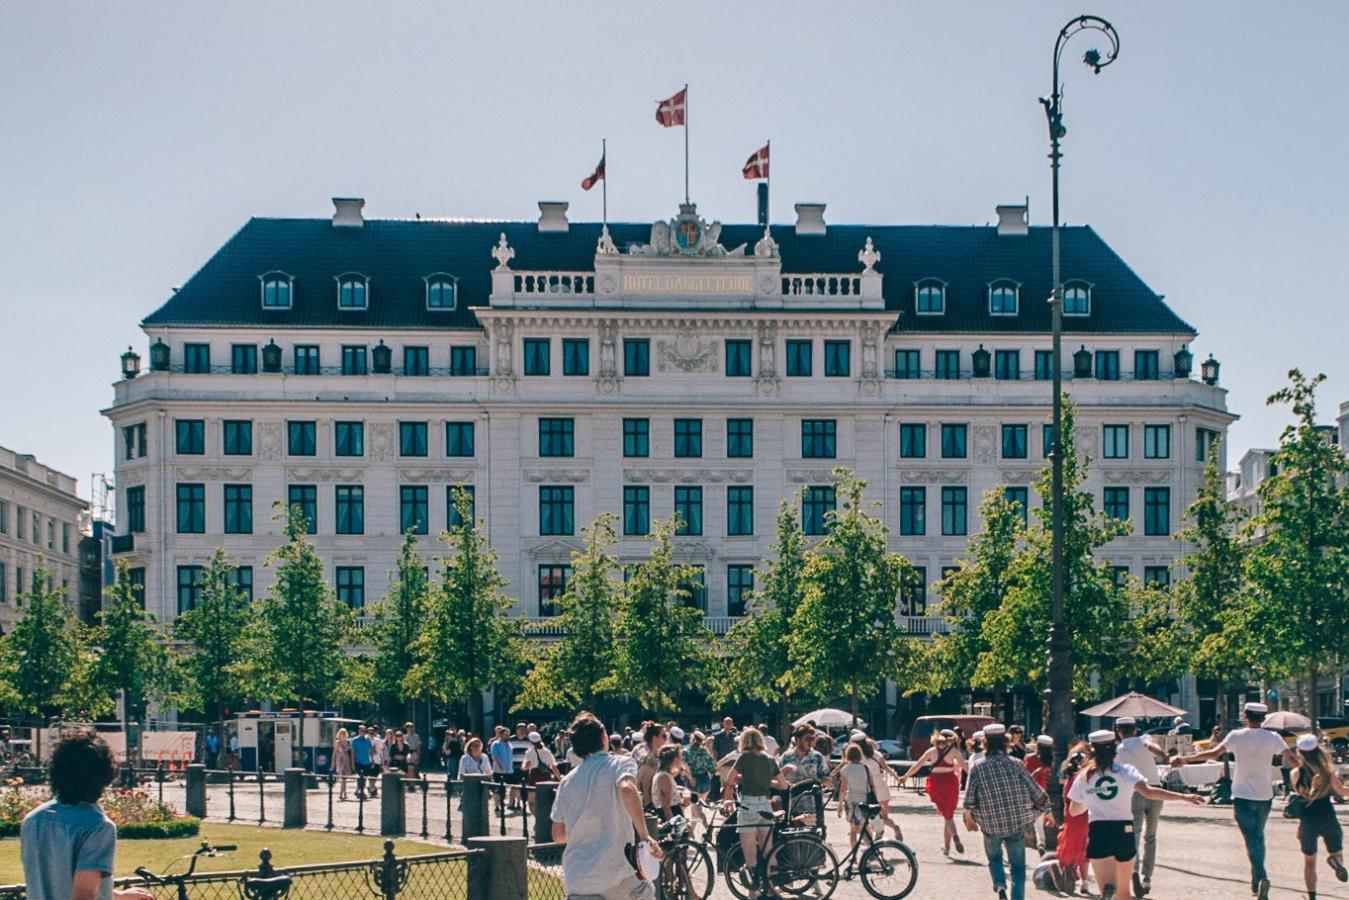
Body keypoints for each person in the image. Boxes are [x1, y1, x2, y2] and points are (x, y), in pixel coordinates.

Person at [1173, 701, 1296, 899]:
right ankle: (1257, 879)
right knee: (1258, 836)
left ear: (1245, 717)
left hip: (1242, 794)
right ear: (1263, 719)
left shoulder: (1236, 736)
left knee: (1251, 839)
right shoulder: (1273, 737)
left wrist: (1186, 759)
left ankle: (1260, 876)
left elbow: (1213, 753)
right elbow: (1291, 758)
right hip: (1265, 795)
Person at [20, 729, 154, 900]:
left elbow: (55, 882)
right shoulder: (98, 826)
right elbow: (83, 896)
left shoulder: (33, 819)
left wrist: (116, 895)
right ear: (105, 774)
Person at [1069, 730, 1202, 900]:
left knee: (1106, 889)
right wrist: (1183, 796)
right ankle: (1117, 893)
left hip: (1098, 831)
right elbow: (1149, 792)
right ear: (1113, 748)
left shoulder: (1084, 776)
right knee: (1124, 894)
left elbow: (1074, 810)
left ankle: (1108, 893)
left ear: (1092, 750)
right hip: (1123, 830)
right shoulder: (1125, 771)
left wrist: (1092, 798)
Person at [552, 712, 660, 900]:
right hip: (615, 874)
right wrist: (645, 836)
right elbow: (627, 788)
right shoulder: (620, 763)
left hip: (577, 880)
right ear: (604, 737)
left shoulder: (567, 782)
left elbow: (558, 835)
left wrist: (585, 827)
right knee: (645, 890)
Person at [963, 723, 1049, 900]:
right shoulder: (1016, 764)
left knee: (994, 858)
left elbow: (969, 800)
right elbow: (1037, 792)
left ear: (985, 742)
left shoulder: (977, 767)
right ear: (1005, 742)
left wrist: (969, 817)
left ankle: (1000, 886)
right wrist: (1047, 810)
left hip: (990, 824)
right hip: (1016, 824)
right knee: (1017, 868)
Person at [722, 727, 789, 889]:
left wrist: (737, 786)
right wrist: (764, 781)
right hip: (765, 805)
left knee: (750, 853)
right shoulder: (769, 759)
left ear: (744, 742)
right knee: (768, 849)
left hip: (748, 806)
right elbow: (783, 784)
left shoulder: (744, 758)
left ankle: (754, 892)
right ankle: (772, 888)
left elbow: (729, 777)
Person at [1291, 733, 1349, 900]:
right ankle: (1335, 862)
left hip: (1307, 821)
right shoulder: (1328, 772)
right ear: (1318, 750)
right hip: (1328, 817)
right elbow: (1342, 792)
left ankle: (1312, 896)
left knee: (1309, 862)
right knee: (1337, 852)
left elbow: (1298, 792)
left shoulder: (1295, 773)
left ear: (1299, 752)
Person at [1114, 716, 1167, 895]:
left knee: (1133, 835)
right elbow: (1156, 749)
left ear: (1119, 731)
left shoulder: (1118, 750)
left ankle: (1134, 870)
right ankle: (1147, 878)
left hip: (1135, 792)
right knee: (1151, 835)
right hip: (1155, 789)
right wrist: (1164, 754)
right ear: (1135, 729)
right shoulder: (1143, 739)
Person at [901, 728, 967, 856]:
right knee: (949, 815)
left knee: (947, 816)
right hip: (951, 782)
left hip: (937, 783)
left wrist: (905, 776)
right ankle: (948, 845)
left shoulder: (931, 751)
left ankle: (953, 837)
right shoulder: (954, 751)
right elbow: (965, 767)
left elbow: (917, 765)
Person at [779, 726, 831, 831]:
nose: (810, 742)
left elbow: (828, 781)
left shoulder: (817, 757)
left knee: (811, 838)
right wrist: (785, 770)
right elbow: (777, 778)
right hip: (791, 805)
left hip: (812, 806)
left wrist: (814, 780)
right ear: (797, 740)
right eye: (807, 739)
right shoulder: (785, 757)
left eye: (812, 739)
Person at [1057, 748, 1092, 895]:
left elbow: (1066, 801)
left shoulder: (1068, 780)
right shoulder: (1084, 779)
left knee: (1069, 847)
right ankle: (1084, 883)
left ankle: (1069, 870)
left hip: (1071, 819)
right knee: (1084, 850)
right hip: (1085, 817)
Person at [855, 732, 902, 840]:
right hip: (882, 787)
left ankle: (876, 839)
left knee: (870, 817)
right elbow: (886, 768)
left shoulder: (858, 757)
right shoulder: (877, 754)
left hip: (871, 790)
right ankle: (895, 828)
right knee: (883, 817)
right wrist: (897, 778)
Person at [838, 743, 873, 849]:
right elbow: (871, 785)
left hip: (852, 801)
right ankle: (871, 849)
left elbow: (843, 789)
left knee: (853, 830)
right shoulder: (866, 768)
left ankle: (854, 854)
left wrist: (839, 805)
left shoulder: (845, 769)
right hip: (864, 800)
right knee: (866, 827)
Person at [524, 730, 561, 814]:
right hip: (546, 775)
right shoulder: (547, 751)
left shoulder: (530, 752)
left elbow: (526, 767)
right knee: (546, 799)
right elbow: (553, 767)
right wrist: (559, 778)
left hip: (534, 775)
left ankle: (537, 817)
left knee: (531, 801)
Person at [652, 744, 686, 822]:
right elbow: (666, 807)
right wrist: (672, 826)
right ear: (674, 759)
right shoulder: (664, 777)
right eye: (679, 757)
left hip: (675, 811)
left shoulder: (665, 775)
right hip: (672, 814)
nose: (681, 759)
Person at [489, 726, 517, 814]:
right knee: (498, 788)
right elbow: (495, 756)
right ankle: (497, 805)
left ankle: (511, 803)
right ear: (501, 735)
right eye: (505, 735)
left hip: (509, 770)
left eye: (508, 735)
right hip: (498, 770)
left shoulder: (509, 744)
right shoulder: (496, 744)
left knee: (515, 785)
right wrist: (500, 766)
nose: (507, 736)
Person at [351, 725, 377, 798]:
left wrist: (373, 760)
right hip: (358, 762)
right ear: (358, 731)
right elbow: (353, 753)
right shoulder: (354, 740)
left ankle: (358, 790)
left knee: (365, 778)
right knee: (361, 777)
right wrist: (352, 763)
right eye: (361, 731)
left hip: (367, 762)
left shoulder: (367, 740)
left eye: (364, 731)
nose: (362, 732)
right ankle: (361, 792)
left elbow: (371, 751)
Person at [332, 727, 355, 801]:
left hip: (347, 761)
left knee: (344, 779)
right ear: (339, 734)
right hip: (340, 761)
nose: (343, 735)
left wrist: (352, 764)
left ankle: (344, 792)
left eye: (344, 734)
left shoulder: (349, 742)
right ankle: (341, 794)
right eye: (342, 734)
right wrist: (332, 764)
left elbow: (352, 753)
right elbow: (334, 753)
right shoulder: (337, 743)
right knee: (342, 778)